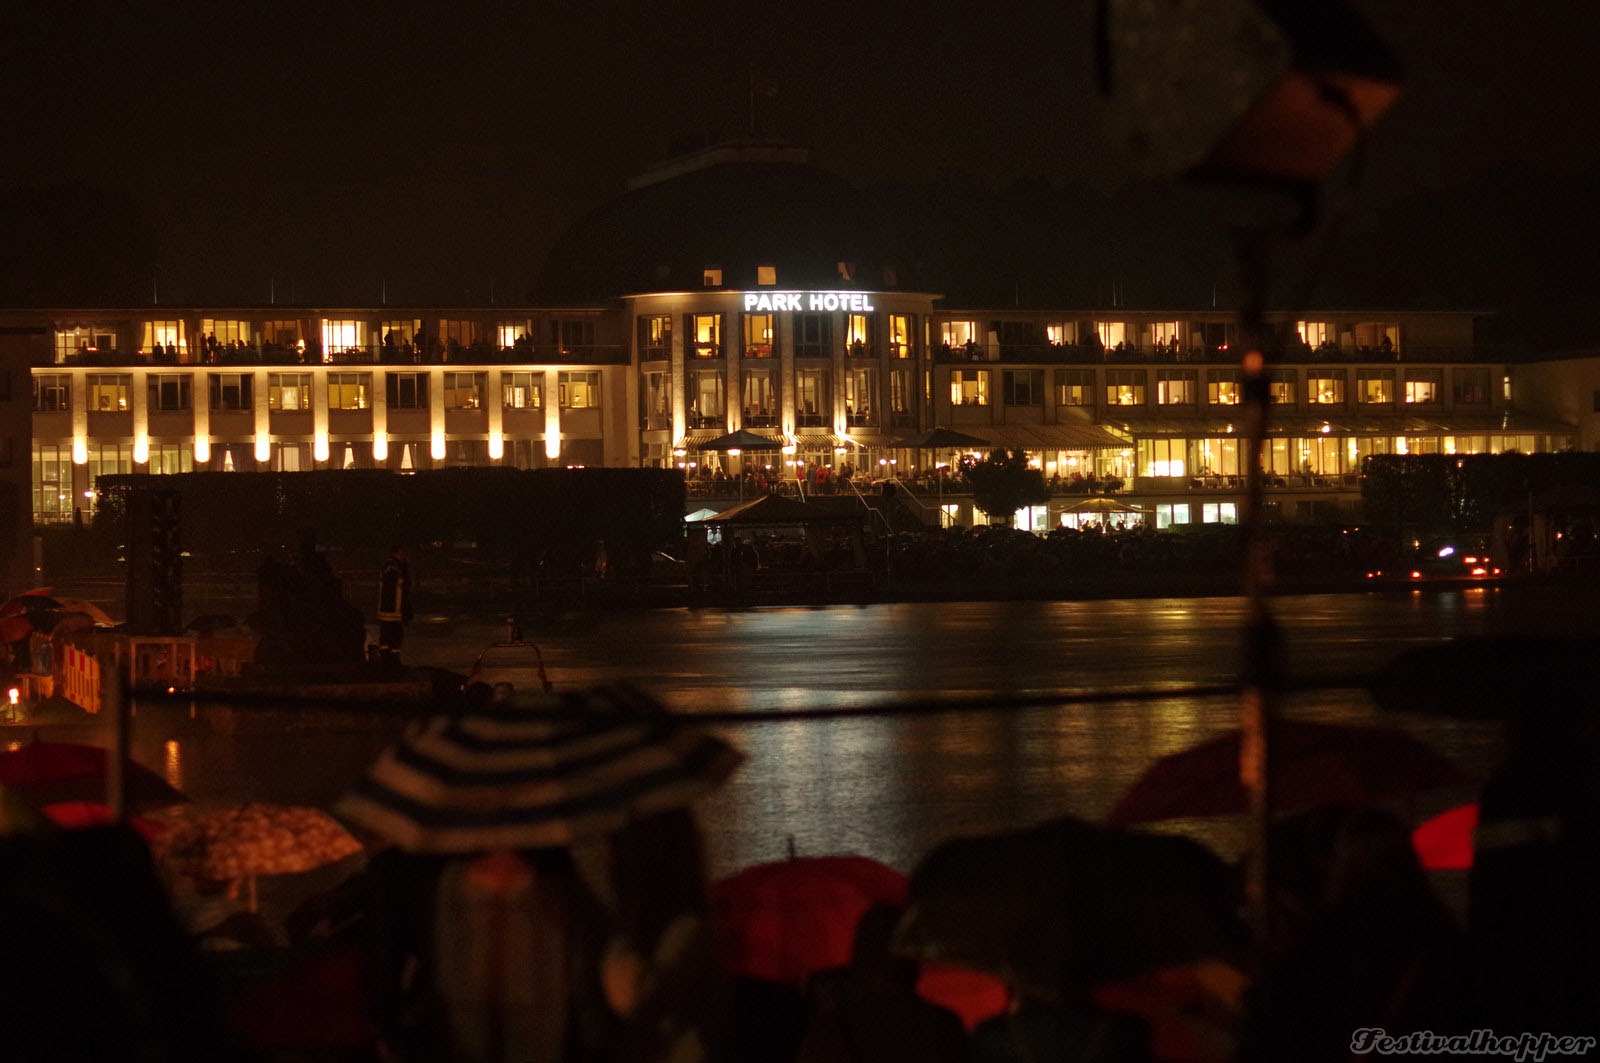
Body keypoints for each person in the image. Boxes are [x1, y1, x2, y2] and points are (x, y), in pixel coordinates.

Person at [377, 545, 413, 668]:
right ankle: (390, 660)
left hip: (392, 609)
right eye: (402, 553)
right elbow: (401, 584)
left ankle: (389, 659)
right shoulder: (392, 566)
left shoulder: (394, 566)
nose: (404, 556)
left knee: (390, 634)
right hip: (392, 609)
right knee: (393, 634)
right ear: (396, 553)